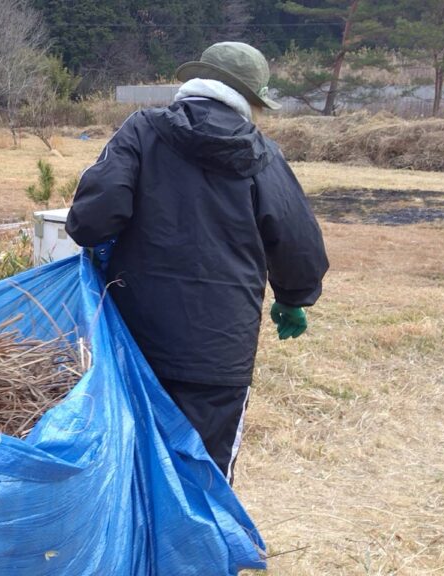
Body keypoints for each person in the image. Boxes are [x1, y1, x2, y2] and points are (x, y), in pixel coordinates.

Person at [66, 42, 329, 483]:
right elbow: (299, 244)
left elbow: (91, 220)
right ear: (249, 99)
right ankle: (198, 551)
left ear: (196, 82)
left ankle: (136, 552)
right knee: (205, 478)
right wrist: (294, 297)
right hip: (220, 355)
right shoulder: (263, 155)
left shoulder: (143, 131)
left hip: (136, 344)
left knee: (131, 468)